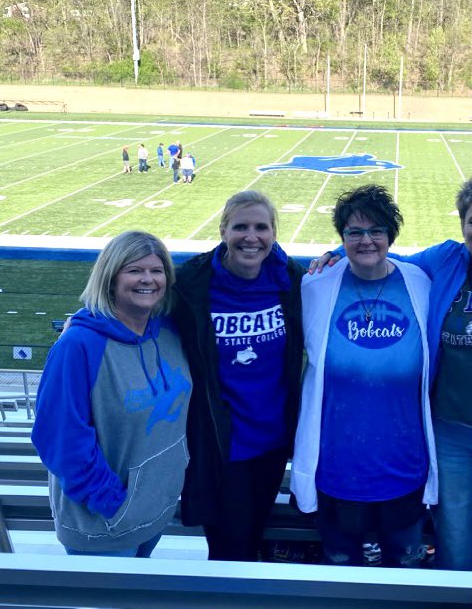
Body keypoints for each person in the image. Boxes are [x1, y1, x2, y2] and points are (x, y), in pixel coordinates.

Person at [311, 175, 472, 572]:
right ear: (462, 226)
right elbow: (376, 251)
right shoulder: (444, 260)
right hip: (451, 432)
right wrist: (337, 249)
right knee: (452, 540)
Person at [292, 185, 437, 568]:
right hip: (338, 469)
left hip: (404, 466)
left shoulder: (420, 282)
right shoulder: (315, 287)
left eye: (376, 230)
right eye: (354, 232)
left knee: (404, 571)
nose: (366, 240)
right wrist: (338, 255)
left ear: (392, 235)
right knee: (341, 573)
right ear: (341, 238)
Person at [31, 231, 192, 557]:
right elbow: (60, 440)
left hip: (154, 511)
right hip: (105, 525)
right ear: (111, 278)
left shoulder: (169, 330)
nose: (148, 279)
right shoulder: (78, 346)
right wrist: (116, 506)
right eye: (134, 270)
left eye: (156, 270)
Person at [173, 190, 305, 562]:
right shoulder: (191, 284)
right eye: (240, 227)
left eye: (261, 227)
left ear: (274, 233)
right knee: (230, 548)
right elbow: (136, 301)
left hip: (273, 441)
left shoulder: (290, 280)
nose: (252, 237)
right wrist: (86, 319)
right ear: (223, 230)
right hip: (220, 443)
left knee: (255, 533)